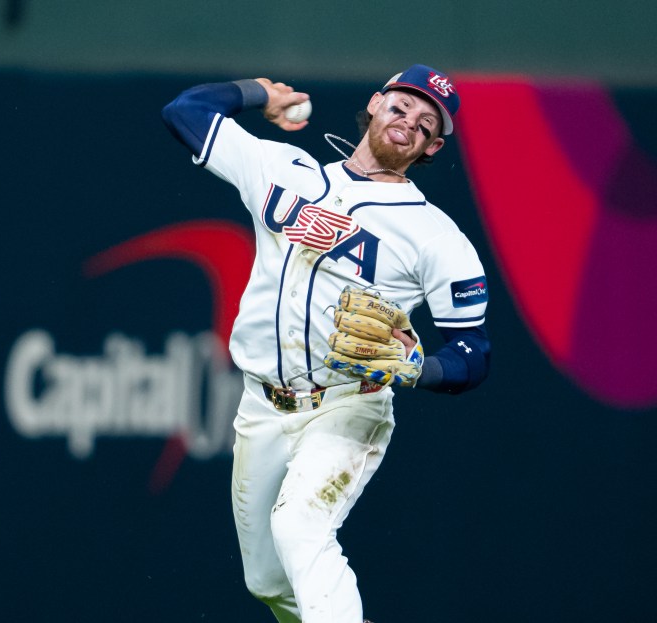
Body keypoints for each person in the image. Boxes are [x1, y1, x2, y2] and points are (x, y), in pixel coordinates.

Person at [161, 65, 491, 623]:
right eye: (402, 106)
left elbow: (474, 352)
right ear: (376, 103)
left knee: (300, 526)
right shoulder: (283, 170)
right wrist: (259, 93)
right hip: (262, 404)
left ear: (432, 147)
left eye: (426, 123)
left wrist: (420, 369)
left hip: (348, 404)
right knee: (267, 579)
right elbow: (185, 112)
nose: (408, 121)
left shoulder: (436, 236)